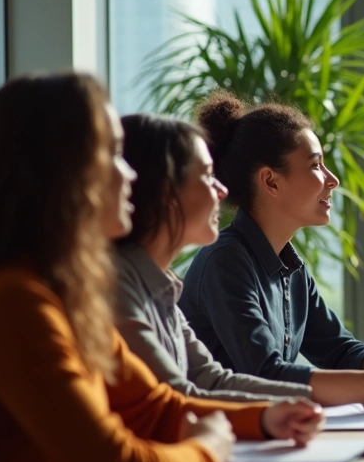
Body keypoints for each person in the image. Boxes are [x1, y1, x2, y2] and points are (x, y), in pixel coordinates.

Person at [0, 74, 322, 462]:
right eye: (110, 155)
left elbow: (154, 405)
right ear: (59, 172)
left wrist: (264, 418)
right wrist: (206, 451)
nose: (130, 175)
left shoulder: (65, 297)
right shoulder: (16, 304)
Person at [179, 93, 364, 410]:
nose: (333, 179)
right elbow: (265, 375)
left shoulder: (291, 267)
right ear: (271, 182)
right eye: (316, 165)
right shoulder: (225, 262)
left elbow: (338, 349)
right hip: (230, 438)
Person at [114, 113, 316, 402]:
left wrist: (299, 402)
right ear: (167, 192)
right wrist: (272, 414)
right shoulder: (118, 286)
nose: (222, 191)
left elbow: (211, 379)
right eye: (208, 176)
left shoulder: (163, 289)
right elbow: (177, 399)